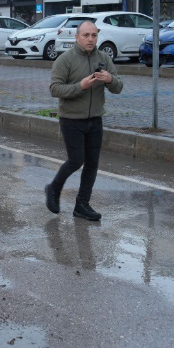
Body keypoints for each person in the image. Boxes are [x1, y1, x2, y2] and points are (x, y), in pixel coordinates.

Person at [45, 20, 123, 221]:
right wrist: (80, 86)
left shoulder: (104, 58)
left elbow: (118, 87)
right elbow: (55, 89)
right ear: (77, 37)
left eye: (94, 35)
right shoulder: (65, 60)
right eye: (86, 35)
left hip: (95, 119)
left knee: (92, 163)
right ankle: (54, 188)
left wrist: (110, 79)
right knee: (76, 160)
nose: (90, 39)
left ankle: (82, 204)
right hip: (71, 119)